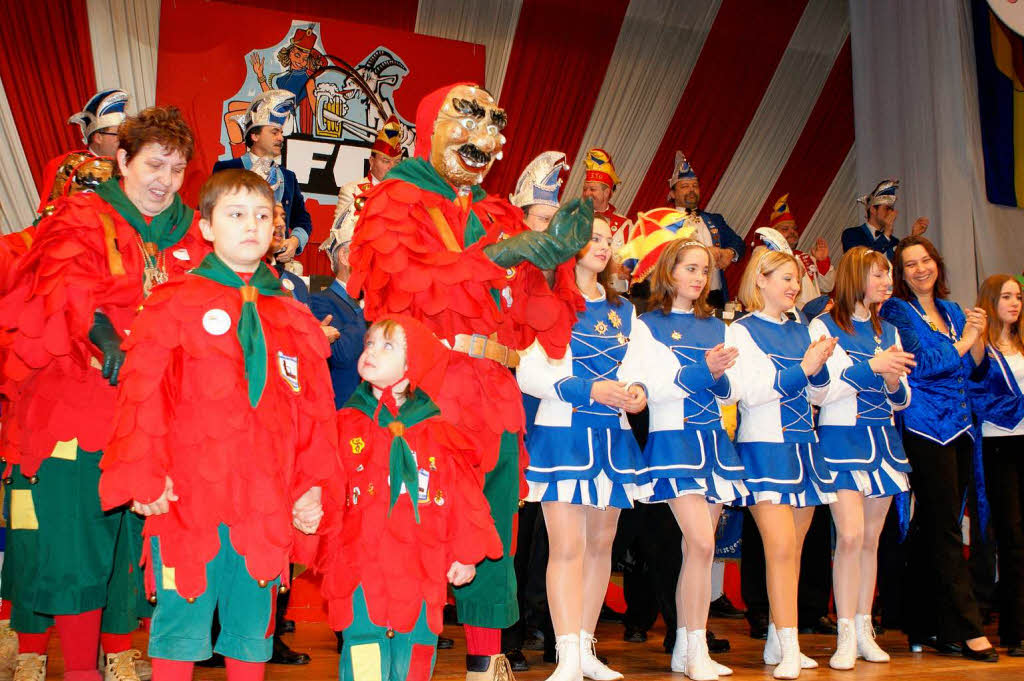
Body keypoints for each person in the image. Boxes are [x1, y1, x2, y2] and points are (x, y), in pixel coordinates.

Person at [348, 82, 590, 681]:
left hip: (496, 391)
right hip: (429, 388)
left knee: (492, 525)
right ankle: (405, 660)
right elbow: (408, 285)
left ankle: (487, 658)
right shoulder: (394, 201)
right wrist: (505, 254)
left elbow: (537, 315)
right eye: (466, 118)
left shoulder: (497, 211)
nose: (480, 134)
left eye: (491, 122)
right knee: (422, 521)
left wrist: (556, 258)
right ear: (430, 127)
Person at [98, 169, 339, 681]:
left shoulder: (295, 319)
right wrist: (144, 471)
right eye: (235, 214)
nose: (251, 226)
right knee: (180, 620)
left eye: (262, 215)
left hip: (266, 498)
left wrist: (311, 485)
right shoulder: (172, 303)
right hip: (188, 496)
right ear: (206, 226)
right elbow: (143, 396)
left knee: (253, 628)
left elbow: (314, 412)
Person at [0, 106, 210, 681]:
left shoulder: (195, 229)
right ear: (122, 161)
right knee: (76, 543)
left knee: (135, 546)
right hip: (81, 401)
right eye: (153, 164)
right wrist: (102, 334)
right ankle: (79, 671)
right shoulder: (81, 214)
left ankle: (121, 656)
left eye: (175, 166)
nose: (164, 179)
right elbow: (66, 284)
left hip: (160, 415)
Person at [320, 314, 504, 681]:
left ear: (412, 363)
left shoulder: (437, 431)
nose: (371, 350)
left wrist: (465, 554)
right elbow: (323, 487)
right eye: (370, 343)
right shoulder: (344, 425)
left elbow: (464, 497)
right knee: (364, 647)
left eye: (387, 345)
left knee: (416, 649)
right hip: (360, 564)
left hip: (422, 565)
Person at [517, 215, 652, 681]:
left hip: (613, 440)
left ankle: (587, 647)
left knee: (602, 546)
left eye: (607, 239)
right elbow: (529, 373)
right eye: (593, 238)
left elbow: (638, 367)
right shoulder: (548, 301)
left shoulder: (624, 310)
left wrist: (636, 391)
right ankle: (567, 652)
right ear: (569, 245)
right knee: (567, 547)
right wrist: (588, 390)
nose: (603, 245)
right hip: (562, 435)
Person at [629, 233, 749, 680]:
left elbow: (733, 390)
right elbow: (652, 385)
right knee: (699, 542)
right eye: (690, 268)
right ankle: (689, 644)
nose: (699, 277)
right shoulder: (647, 325)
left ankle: (689, 646)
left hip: (713, 442)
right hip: (672, 440)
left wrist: (717, 375)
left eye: (705, 270)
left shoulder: (720, 326)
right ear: (669, 271)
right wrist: (706, 370)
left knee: (701, 549)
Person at [879, 235, 997, 662]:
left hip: (962, 428)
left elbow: (974, 370)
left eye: (924, 260)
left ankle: (923, 621)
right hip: (925, 429)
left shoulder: (951, 310)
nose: (919, 269)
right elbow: (923, 366)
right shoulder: (897, 310)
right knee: (945, 527)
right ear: (900, 273)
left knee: (932, 525)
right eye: (909, 264)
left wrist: (978, 340)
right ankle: (968, 627)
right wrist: (965, 340)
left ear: (937, 263)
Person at [724, 247, 838, 679]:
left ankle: (778, 636)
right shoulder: (742, 330)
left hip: (804, 447)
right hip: (764, 446)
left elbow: (819, 396)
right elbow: (746, 392)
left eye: (795, 279)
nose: (793, 287)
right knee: (780, 548)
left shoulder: (805, 328)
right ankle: (789, 643)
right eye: (785, 278)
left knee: (795, 552)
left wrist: (821, 369)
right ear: (761, 280)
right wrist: (803, 370)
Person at [807, 246, 916, 669]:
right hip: (839, 440)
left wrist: (891, 380)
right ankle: (845, 635)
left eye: (888, 275)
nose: (887, 282)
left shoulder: (888, 329)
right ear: (855, 276)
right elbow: (820, 392)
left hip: (882, 442)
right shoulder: (823, 324)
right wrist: (871, 366)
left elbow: (902, 397)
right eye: (878, 275)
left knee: (870, 541)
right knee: (849, 537)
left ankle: (865, 627)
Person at [504, 150, 571, 671]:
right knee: (517, 526)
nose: (549, 231)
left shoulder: (566, 276)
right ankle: (509, 631)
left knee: (553, 527)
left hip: (558, 414)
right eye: (541, 220)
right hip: (514, 404)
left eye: (555, 221)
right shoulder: (507, 268)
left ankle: (552, 625)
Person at [971, 274, 1024, 657]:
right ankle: (1013, 629)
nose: (1014, 303)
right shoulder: (982, 348)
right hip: (996, 446)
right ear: (991, 300)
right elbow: (975, 395)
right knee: (1010, 536)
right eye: (1006, 296)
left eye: (1018, 296)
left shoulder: (1022, 344)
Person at [212, 89, 312, 264]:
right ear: (254, 135)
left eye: (281, 132)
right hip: (234, 264)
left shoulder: (288, 177)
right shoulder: (228, 170)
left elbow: (302, 219)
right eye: (274, 132)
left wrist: (294, 241)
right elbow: (210, 215)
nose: (281, 138)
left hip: (276, 268)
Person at [666, 152, 745, 308]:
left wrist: (729, 253)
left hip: (714, 296)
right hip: (679, 296)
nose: (691, 190)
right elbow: (665, 255)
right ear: (672, 193)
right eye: (685, 186)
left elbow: (739, 243)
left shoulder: (715, 219)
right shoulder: (665, 222)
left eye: (695, 186)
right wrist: (705, 252)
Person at [38, 89, 130, 215]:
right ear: (98, 137)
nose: (124, 139)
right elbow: (52, 214)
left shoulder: (131, 162)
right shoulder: (66, 166)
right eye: (118, 134)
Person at [310, 221, 367, 409]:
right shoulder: (319, 302)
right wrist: (370, 306)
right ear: (345, 256)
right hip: (342, 412)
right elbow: (341, 354)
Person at [331, 115, 405, 241]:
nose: (391, 167)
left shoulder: (408, 195)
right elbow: (339, 235)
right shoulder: (352, 191)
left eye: (396, 162)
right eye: (385, 161)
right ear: (371, 161)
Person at [766, 194, 834, 310]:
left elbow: (827, 287)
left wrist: (822, 262)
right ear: (774, 234)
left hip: (812, 318)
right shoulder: (768, 260)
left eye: (794, 229)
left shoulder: (805, 257)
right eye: (785, 229)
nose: (792, 232)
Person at [841, 179, 928, 260]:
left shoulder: (893, 241)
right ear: (873, 210)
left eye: (892, 209)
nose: (891, 212)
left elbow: (904, 264)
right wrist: (886, 235)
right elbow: (862, 263)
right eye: (887, 208)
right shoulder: (852, 234)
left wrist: (914, 236)